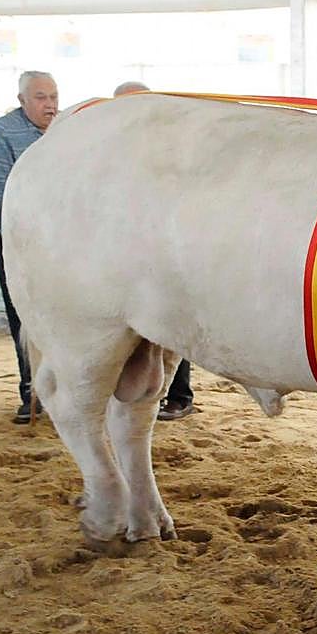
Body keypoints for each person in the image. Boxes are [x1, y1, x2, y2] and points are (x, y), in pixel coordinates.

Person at [112, 80, 194, 420]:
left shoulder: (171, 147)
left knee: (179, 332)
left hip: (167, 252)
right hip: (126, 254)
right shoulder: (109, 149)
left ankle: (179, 394)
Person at [0, 71, 59, 423]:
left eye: (54, 97)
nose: (51, 105)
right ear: (22, 101)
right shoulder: (3, 131)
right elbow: (1, 197)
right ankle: (31, 392)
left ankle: (62, 387)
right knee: (23, 317)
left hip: (62, 241)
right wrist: (19, 243)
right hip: (19, 240)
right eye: (42, 98)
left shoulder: (65, 129)